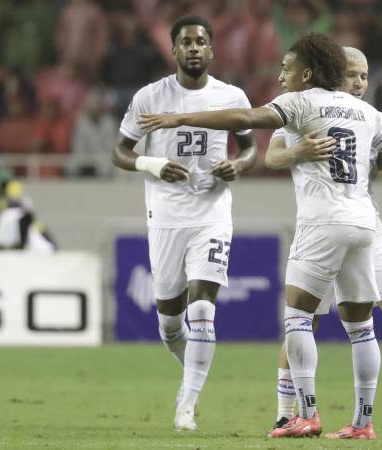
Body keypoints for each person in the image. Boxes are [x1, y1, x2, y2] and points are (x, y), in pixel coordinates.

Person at [138, 32, 382, 440]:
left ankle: (306, 414)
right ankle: (364, 423)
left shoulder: (302, 101)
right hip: (365, 223)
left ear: (307, 73)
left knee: (298, 318)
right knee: (361, 327)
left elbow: (244, 119)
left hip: (322, 223)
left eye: (287, 69)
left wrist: (179, 118)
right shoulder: (363, 110)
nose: (280, 77)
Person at [265, 47, 382, 438]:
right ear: (333, 75)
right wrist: (299, 151)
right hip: (321, 226)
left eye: (365, 76)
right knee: (305, 320)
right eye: (352, 74)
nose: (360, 83)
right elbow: (272, 155)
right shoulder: (305, 108)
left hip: (364, 228)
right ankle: (286, 412)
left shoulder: (369, 115)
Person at [111, 15, 257, 432]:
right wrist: (152, 164)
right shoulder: (150, 97)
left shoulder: (231, 97)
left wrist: (236, 166)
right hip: (166, 217)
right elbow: (119, 152)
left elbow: (249, 149)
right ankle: (193, 367)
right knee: (170, 323)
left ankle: (186, 406)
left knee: (204, 310)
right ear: (173, 50)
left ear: (212, 50)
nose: (194, 48)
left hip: (211, 215)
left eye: (201, 42)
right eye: (186, 42)